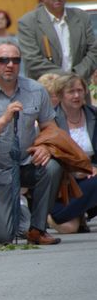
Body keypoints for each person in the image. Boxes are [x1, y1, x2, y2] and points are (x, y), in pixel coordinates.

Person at [0, 41, 62, 245]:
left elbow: (51, 128)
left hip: (26, 163)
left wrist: (45, 147)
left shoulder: (36, 90)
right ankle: (15, 209)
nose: (10, 64)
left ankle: (37, 228)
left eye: (15, 60)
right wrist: (3, 120)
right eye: (3, 60)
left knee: (52, 167)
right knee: (2, 237)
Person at [18, 0, 97, 81]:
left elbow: (94, 51)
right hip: (46, 90)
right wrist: (67, 78)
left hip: (79, 89)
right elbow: (33, 60)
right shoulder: (28, 22)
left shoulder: (82, 17)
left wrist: (77, 75)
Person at [52, 73, 97, 233]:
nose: (77, 95)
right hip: (64, 180)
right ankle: (53, 215)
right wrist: (73, 170)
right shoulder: (50, 120)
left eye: (80, 90)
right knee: (68, 228)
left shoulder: (94, 115)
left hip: (91, 175)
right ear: (60, 95)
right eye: (71, 91)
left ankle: (78, 212)